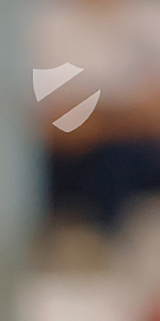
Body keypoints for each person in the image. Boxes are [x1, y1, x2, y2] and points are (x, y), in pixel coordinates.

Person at [35, 0, 160, 238]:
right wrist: (131, 109)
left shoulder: (151, 18)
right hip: (81, 171)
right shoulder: (51, 25)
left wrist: (95, 110)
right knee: (113, 162)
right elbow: (58, 126)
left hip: (143, 164)